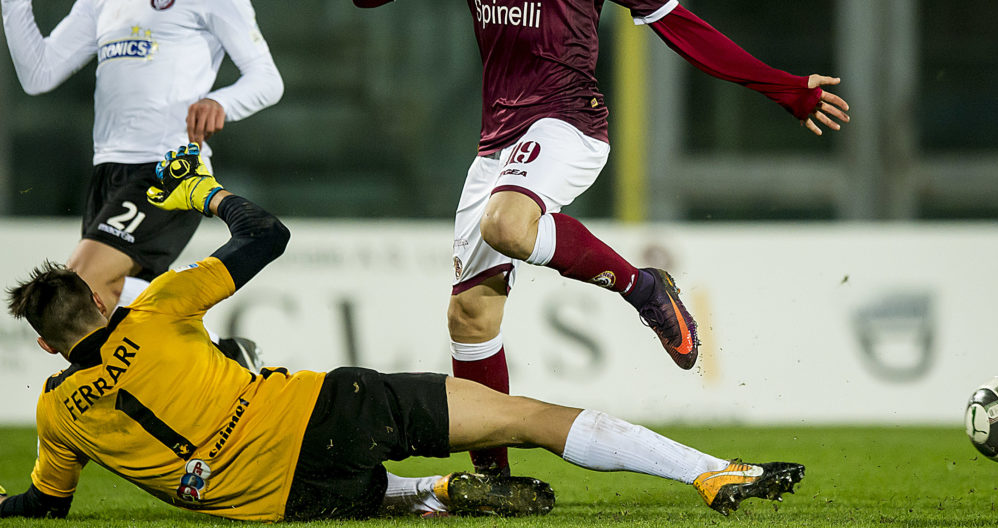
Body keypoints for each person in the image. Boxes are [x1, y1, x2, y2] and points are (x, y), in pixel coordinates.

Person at [334, 0, 851, 474]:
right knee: (470, 317)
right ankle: (494, 480)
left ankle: (644, 288)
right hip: (497, 140)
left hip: (567, 122)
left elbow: (679, 24)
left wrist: (783, 88)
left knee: (506, 224)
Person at [1, 144, 805, 521]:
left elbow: (43, 506)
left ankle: (434, 495)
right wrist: (205, 193)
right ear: (100, 302)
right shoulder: (158, 308)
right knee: (528, 419)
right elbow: (267, 235)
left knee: (356, 492)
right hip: (325, 412)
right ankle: (710, 473)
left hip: (284, 502)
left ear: (44, 344)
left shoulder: (55, 412)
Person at [0, 0, 284, 367]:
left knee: (75, 295)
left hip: (167, 168)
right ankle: (224, 359)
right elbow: (38, 73)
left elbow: (267, 79)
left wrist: (221, 101)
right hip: (108, 171)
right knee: (119, 315)